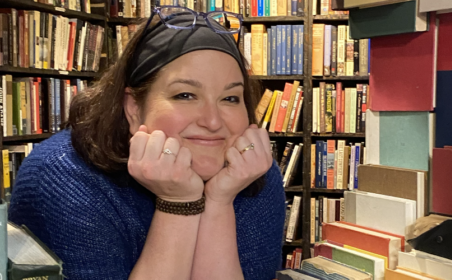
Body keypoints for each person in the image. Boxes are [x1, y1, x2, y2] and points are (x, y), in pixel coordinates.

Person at [8, 7, 286, 280]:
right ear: (133, 108)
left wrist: (218, 200)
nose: (213, 121)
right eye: (186, 95)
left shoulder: (252, 173)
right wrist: (178, 203)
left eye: (230, 98)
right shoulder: (62, 175)